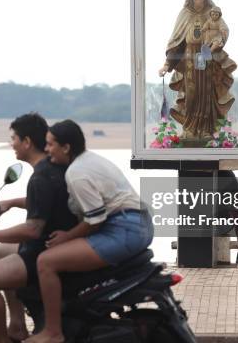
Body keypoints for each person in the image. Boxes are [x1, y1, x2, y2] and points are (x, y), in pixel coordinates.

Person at [25, 120, 154, 343]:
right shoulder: (89, 160)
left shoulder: (76, 173)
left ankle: (53, 332)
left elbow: (95, 220)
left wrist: (67, 236)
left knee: (46, 262)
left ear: (66, 147)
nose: (46, 150)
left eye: (50, 144)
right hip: (136, 224)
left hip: (123, 229)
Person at [0, 113, 77, 343]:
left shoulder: (41, 177)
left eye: (14, 138)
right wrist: (11, 202)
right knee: (0, 252)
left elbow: (32, 230)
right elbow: (45, 201)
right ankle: (17, 325)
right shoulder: (51, 166)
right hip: (49, 242)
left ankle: (1, 340)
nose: (12, 144)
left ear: (27, 142)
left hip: (42, 249)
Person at [158, 0, 237, 140]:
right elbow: (176, 41)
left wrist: (218, 41)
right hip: (189, 61)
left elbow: (223, 31)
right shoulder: (185, 14)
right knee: (192, 94)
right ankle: (189, 129)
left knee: (206, 94)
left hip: (207, 59)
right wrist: (167, 64)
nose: (198, 0)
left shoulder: (213, 13)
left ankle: (207, 130)